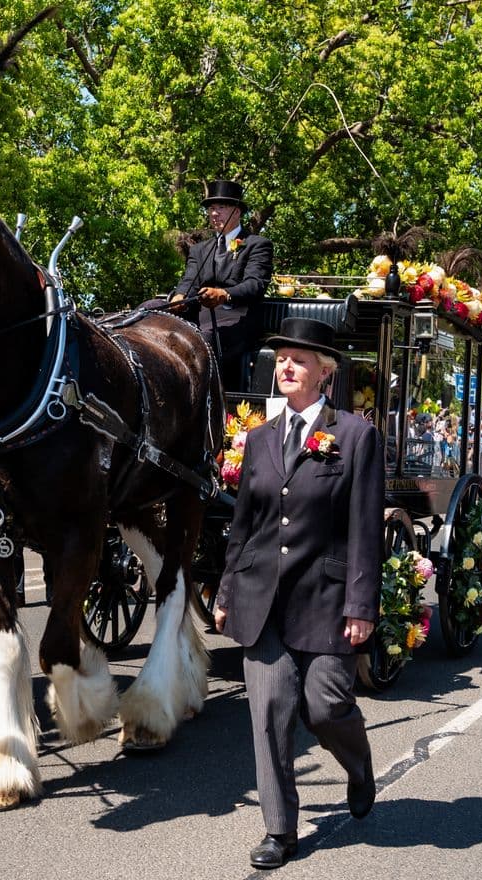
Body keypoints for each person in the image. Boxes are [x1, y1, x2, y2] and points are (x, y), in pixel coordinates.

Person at [213, 318, 379, 869]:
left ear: (324, 373)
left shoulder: (355, 435)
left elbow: (363, 527)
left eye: (299, 359)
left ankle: (358, 765)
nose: (286, 366)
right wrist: (226, 590)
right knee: (269, 713)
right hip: (262, 600)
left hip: (326, 600)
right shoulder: (259, 438)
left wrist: (361, 606)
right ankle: (279, 831)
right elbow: (246, 524)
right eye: (281, 357)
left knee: (326, 706)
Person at [166, 179, 273, 391]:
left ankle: (196, 398)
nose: (214, 214)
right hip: (201, 316)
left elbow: (255, 284)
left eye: (221, 208)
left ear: (237, 212)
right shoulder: (200, 250)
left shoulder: (257, 245)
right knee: (148, 309)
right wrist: (179, 297)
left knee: (200, 340)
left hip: (237, 319)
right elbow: (189, 282)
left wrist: (224, 294)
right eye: (211, 209)